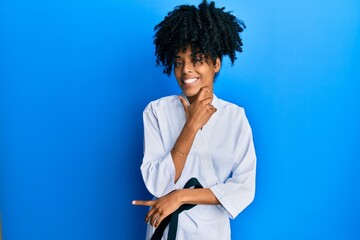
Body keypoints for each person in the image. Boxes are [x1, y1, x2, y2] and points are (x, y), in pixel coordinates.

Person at [132, 1, 256, 239]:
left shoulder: (234, 117)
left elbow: (244, 188)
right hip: (165, 231)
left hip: (212, 233)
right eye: (179, 62)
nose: (186, 70)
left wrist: (180, 197)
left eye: (197, 59)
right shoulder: (156, 112)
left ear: (216, 63)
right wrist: (191, 125)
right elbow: (158, 185)